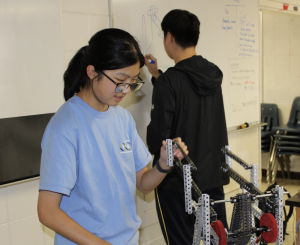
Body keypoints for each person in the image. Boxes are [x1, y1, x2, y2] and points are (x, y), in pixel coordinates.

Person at [37, 28, 188, 245]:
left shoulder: (122, 118)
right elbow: (48, 211)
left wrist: (164, 163)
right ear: (92, 72)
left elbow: (144, 184)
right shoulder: (65, 126)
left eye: (132, 82)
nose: (125, 90)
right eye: (120, 80)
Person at [144, 10, 230, 244]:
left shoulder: (170, 81)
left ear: (169, 37)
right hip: (213, 176)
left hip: (177, 184)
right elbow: (190, 100)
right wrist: (157, 76)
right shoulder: (212, 74)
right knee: (218, 240)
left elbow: (157, 142)